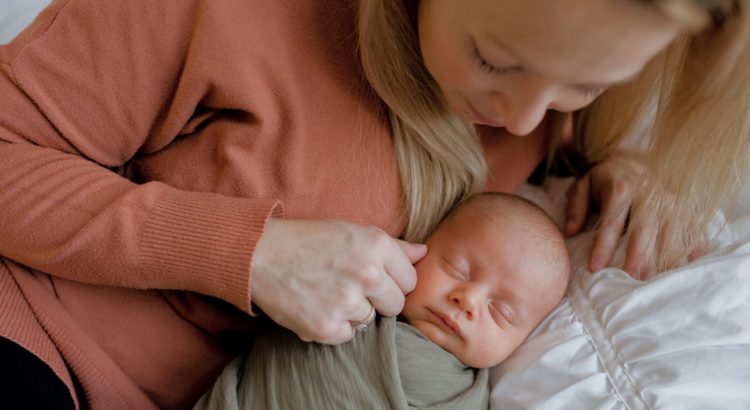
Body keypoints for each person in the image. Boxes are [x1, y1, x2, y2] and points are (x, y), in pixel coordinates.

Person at [0, 0, 746, 408]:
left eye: (585, 84)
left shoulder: (549, 99)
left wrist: (621, 163)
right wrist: (251, 253)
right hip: (36, 343)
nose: (523, 118)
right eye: (493, 60)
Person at [194, 193, 570, 410]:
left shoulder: (468, 399)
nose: (468, 299)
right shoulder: (347, 300)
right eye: (457, 268)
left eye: (500, 311)